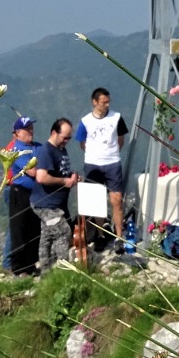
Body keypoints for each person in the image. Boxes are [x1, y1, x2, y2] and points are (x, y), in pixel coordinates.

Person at [75, 87, 128, 249]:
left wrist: (112, 153)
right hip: (93, 164)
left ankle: (119, 237)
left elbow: (121, 139)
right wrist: (94, 154)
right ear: (95, 102)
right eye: (103, 102)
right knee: (96, 201)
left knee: (116, 200)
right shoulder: (85, 121)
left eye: (108, 102)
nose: (106, 105)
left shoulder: (117, 117)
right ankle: (100, 234)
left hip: (112, 163)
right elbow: (82, 143)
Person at [30, 118, 81, 272]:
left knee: (47, 237)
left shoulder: (60, 149)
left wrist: (71, 177)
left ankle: (46, 272)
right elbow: (41, 177)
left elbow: (61, 172)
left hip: (56, 203)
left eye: (69, 138)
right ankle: (63, 269)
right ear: (54, 133)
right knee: (63, 231)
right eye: (64, 137)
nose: (67, 141)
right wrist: (65, 181)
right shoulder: (46, 151)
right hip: (45, 204)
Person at [7, 116, 42, 277]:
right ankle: (19, 268)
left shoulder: (37, 147)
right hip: (19, 193)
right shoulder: (16, 149)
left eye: (31, 128)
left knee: (34, 229)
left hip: (35, 193)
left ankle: (30, 264)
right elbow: (32, 171)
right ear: (18, 133)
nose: (31, 132)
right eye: (27, 129)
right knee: (19, 229)